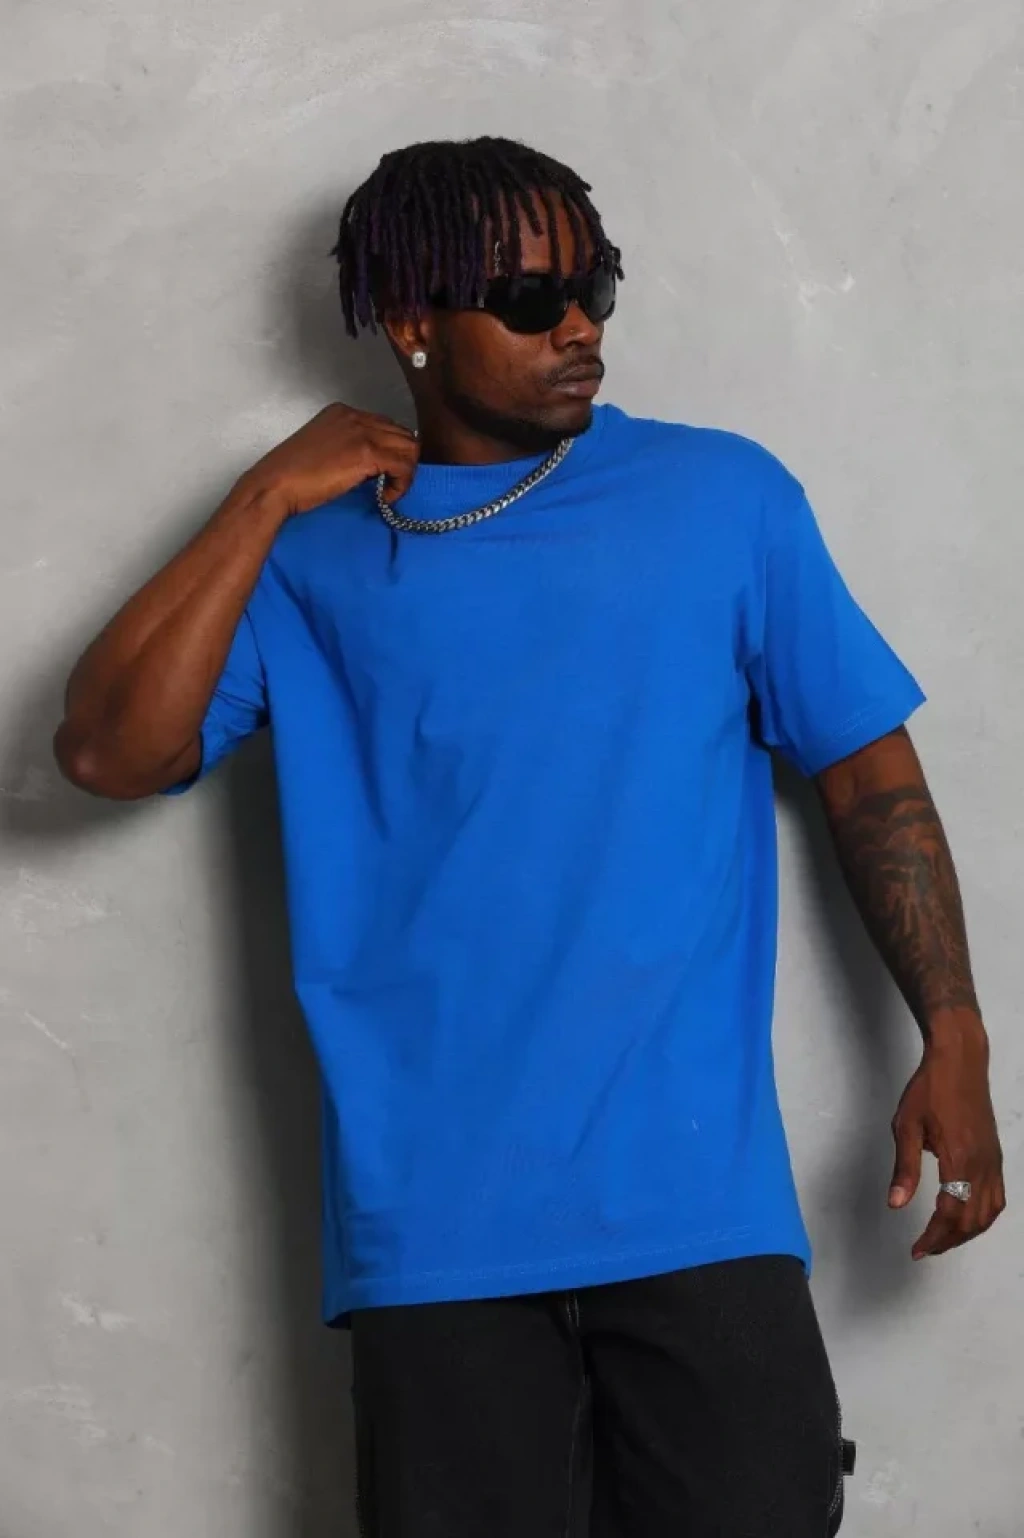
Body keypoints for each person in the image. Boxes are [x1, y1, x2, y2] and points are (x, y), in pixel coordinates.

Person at [54, 136, 1004, 1538]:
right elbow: (105, 753)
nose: (579, 325)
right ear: (412, 321)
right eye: (528, 296)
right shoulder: (309, 556)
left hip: (697, 1213)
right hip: (435, 1240)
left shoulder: (722, 502)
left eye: (595, 286)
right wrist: (258, 499)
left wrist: (956, 1028)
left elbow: (869, 778)